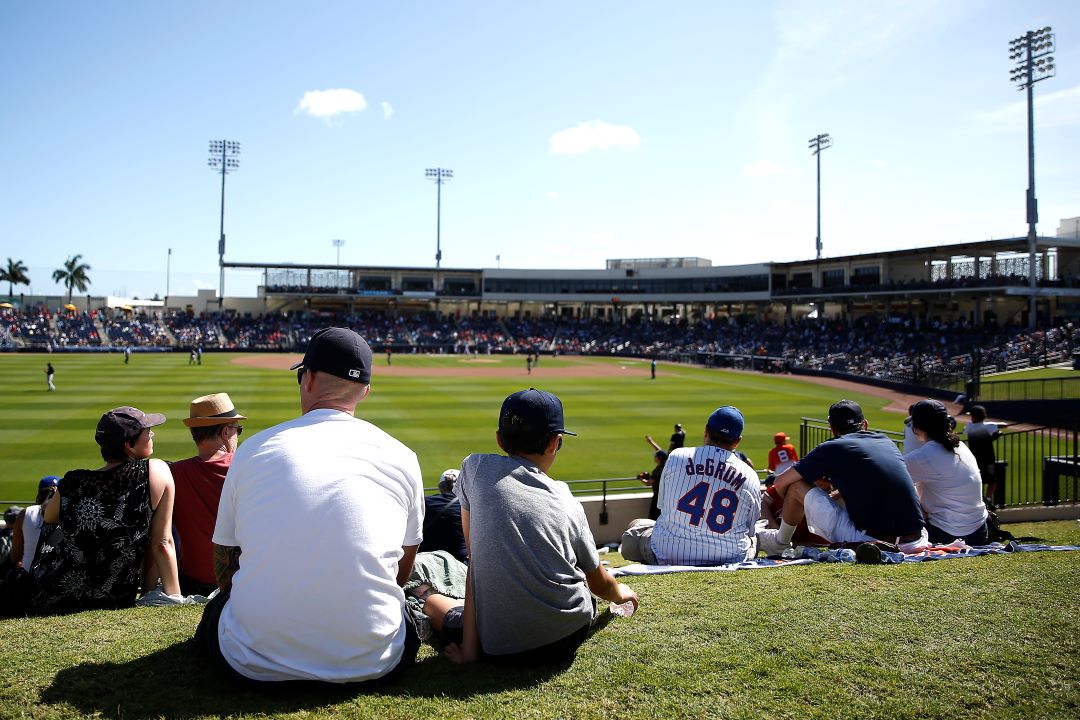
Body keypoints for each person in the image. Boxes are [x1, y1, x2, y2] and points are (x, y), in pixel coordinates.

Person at [196, 327, 424, 684]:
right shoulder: (403, 457)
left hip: (251, 662)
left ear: (309, 378)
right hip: (376, 662)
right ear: (365, 390)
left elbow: (225, 558)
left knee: (216, 610)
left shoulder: (253, 450)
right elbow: (402, 570)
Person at [436, 388, 637, 665]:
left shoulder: (474, 468)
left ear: (499, 439)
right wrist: (621, 593)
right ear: (555, 442)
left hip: (497, 648)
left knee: (432, 603)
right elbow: (600, 584)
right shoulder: (568, 501)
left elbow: (476, 561)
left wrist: (470, 652)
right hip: (567, 633)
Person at [18, 407, 181, 615]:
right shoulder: (156, 471)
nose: (152, 434)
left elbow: (49, 518)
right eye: (146, 430)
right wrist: (175, 598)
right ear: (129, 445)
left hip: (56, 592)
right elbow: (162, 543)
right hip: (114, 598)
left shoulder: (71, 482)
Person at [757, 400, 928, 557]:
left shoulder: (832, 447)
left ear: (832, 429)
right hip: (917, 539)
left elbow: (780, 483)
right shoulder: (886, 441)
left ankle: (781, 543)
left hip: (874, 540)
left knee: (796, 487)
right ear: (865, 424)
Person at [621, 406, 761, 566]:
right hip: (730, 556)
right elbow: (750, 529)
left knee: (638, 525)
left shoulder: (675, 456)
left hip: (667, 554)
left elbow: (663, 508)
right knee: (755, 538)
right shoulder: (751, 475)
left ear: (706, 430)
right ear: (737, 441)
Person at [169, 392, 247, 596]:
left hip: (191, 582)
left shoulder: (173, 473)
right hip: (239, 580)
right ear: (225, 432)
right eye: (238, 429)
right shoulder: (246, 468)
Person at [903, 399, 989, 545]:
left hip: (948, 534)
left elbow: (889, 478)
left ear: (917, 427)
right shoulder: (961, 446)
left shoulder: (924, 456)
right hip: (980, 531)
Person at [9, 476, 60, 571]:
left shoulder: (24, 514)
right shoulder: (69, 516)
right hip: (57, 577)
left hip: (28, 574)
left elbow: (15, 556)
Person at [420, 469, 468, 563]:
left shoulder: (425, 502)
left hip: (427, 558)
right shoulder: (469, 506)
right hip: (460, 559)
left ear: (441, 487)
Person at [963, 405, 1008, 503]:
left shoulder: (969, 426)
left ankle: (979, 500)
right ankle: (988, 498)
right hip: (988, 458)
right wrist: (996, 432)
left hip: (974, 458)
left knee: (977, 479)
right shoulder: (989, 426)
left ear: (974, 417)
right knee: (992, 480)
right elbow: (1004, 425)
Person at [637, 436, 668, 521]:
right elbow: (660, 451)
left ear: (659, 459)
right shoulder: (667, 464)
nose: (654, 457)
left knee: (653, 518)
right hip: (666, 496)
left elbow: (648, 483)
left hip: (658, 497)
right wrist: (651, 442)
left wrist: (640, 478)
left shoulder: (657, 471)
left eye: (656, 456)